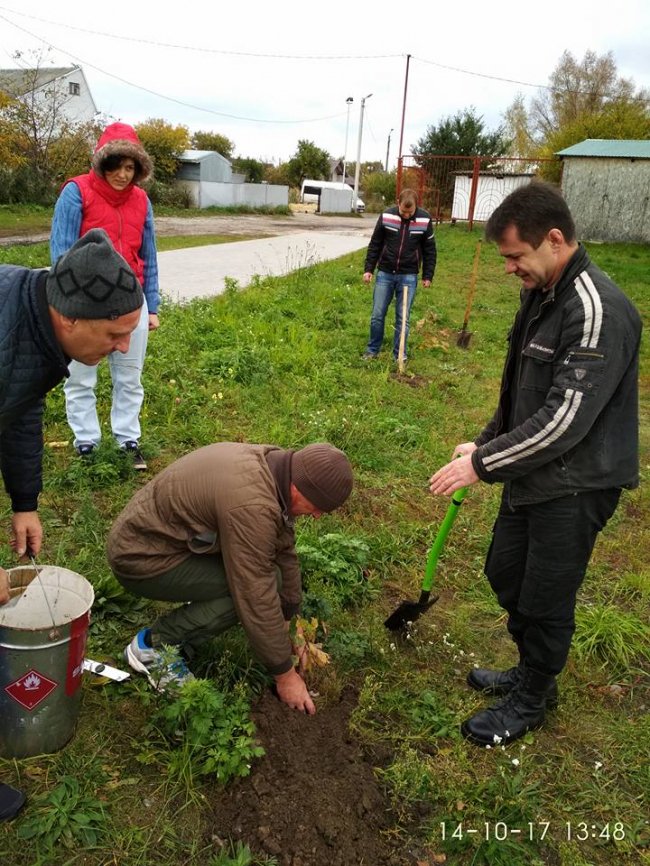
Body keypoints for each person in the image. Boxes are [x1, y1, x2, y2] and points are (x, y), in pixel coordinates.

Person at [429, 181, 642, 747]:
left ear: (553, 240)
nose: (509, 269)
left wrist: (483, 465)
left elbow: (564, 420)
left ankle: (534, 695)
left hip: (577, 483)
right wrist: (483, 442)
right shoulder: (542, 294)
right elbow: (521, 392)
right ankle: (530, 668)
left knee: (545, 596)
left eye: (514, 257)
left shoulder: (595, 311)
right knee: (505, 573)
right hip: (534, 471)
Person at [0, 228, 144, 814]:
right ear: (71, 316)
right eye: (115, 334)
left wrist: (24, 500)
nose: (122, 347)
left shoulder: (36, 329)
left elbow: (21, 405)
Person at [107, 442, 354, 713]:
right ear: (298, 488)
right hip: (141, 558)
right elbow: (254, 592)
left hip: (169, 540)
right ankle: (154, 647)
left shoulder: (275, 468)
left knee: (272, 578)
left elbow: (283, 550)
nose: (318, 516)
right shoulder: (252, 504)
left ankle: (197, 613)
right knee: (250, 590)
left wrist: (290, 620)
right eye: (318, 507)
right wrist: (285, 676)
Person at [50, 122, 160, 471]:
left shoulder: (142, 201)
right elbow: (61, 253)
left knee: (130, 374)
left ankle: (127, 440)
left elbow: (150, 254)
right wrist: (65, 304)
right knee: (81, 375)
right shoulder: (75, 192)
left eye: (130, 168)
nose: (122, 175)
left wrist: (152, 305)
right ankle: (86, 443)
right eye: (116, 165)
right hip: (87, 304)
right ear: (102, 162)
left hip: (133, 301)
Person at [362, 188, 436, 362]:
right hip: (385, 273)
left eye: (410, 213)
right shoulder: (387, 216)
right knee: (377, 315)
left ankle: (399, 354)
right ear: (398, 203)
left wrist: (428, 275)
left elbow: (430, 250)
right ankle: (372, 350)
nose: (406, 216)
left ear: (416, 205)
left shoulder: (424, 219)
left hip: (408, 276)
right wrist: (368, 269)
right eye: (403, 211)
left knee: (403, 318)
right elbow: (375, 244)